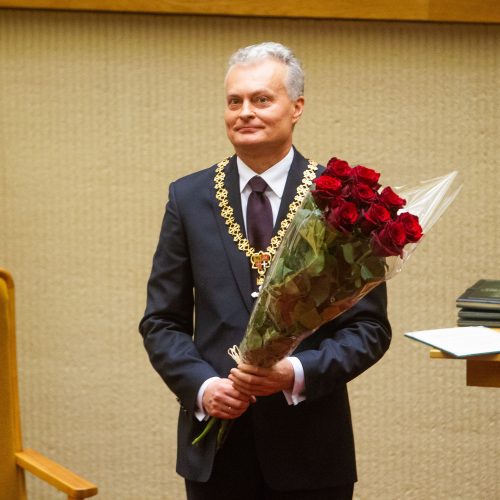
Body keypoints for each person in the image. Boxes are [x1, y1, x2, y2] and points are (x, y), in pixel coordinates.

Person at [139, 41, 391, 500]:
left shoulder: (341, 200)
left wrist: (295, 372)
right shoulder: (188, 198)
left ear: (296, 107)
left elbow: (369, 328)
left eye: (261, 99)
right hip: (217, 447)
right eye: (234, 101)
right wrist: (202, 387)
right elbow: (161, 321)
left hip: (313, 452)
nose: (245, 112)